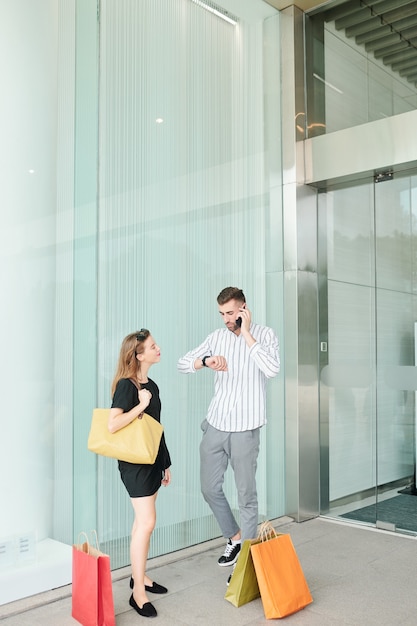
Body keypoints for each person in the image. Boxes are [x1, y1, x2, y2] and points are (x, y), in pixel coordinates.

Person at [177, 287, 279, 575]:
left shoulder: (266, 335)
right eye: (222, 313)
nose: (226, 319)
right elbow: (182, 363)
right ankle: (234, 538)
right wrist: (205, 362)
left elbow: (271, 369)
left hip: (245, 429)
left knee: (246, 495)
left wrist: (247, 334)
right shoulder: (216, 338)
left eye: (231, 313)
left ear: (244, 309)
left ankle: (246, 566)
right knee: (209, 488)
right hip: (216, 424)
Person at [109, 329, 172, 619]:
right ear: (139, 355)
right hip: (134, 464)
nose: (158, 349)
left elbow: (156, 427)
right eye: (152, 346)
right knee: (147, 523)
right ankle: (137, 594)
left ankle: (140, 575)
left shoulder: (152, 385)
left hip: (152, 460)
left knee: (141, 524)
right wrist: (142, 404)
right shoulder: (127, 385)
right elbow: (113, 424)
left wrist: (166, 462)